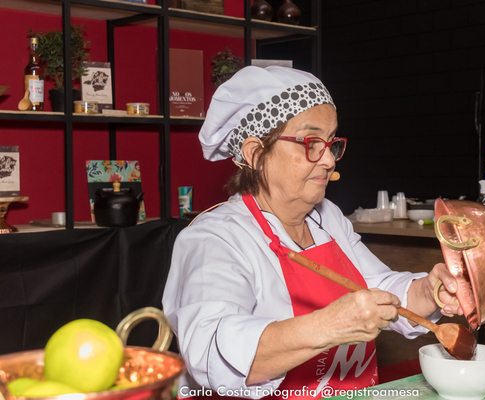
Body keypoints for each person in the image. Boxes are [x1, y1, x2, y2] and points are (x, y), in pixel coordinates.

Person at [162, 66, 462, 399]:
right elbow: (211, 352)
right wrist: (330, 326)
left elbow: (376, 288)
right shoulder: (215, 238)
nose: (329, 160)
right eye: (311, 142)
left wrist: (429, 291)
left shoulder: (327, 216)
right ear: (256, 154)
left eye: (331, 143)